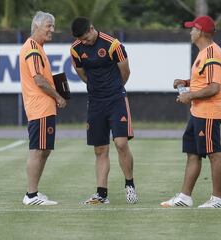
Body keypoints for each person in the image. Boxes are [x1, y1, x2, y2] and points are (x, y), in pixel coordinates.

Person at [160, 16, 221, 208]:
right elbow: (204, 80)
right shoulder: (204, 52)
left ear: (202, 33)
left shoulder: (212, 54)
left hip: (208, 112)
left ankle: (218, 199)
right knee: (192, 153)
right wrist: (186, 83)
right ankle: (185, 197)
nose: (190, 32)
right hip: (198, 111)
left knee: (214, 153)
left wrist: (190, 95)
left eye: (193, 29)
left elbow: (214, 87)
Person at [70, 17, 138, 204]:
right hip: (95, 102)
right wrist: (97, 88)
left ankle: (129, 184)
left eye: (85, 38)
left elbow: (125, 72)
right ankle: (101, 194)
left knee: (121, 143)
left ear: (92, 29)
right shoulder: (75, 49)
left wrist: (114, 89)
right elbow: (81, 73)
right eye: (80, 40)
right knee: (100, 149)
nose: (84, 42)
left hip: (116, 99)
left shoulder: (113, 45)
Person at [19, 11, 67, 205]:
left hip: (44, 107)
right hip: (40, 107)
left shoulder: (38, 47)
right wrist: (58, 97)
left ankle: (34, 193)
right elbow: (39, 80)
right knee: (37, 150)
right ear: (37, 26)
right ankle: (31, 195)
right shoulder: (32, 48)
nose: (52, 30)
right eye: (49, 26)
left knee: (44, 149)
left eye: (52, 26)